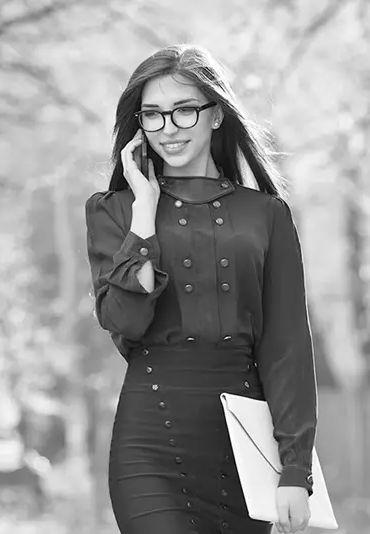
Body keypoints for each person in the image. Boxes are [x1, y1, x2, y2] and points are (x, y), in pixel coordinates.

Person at [84, 44, 317, 534]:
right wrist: (144, 212)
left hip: (244, 448)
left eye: (184, 111)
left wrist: (296, 470)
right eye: (153, 115)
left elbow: (287, 347)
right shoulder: (114, 212)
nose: (168, 128)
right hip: (150, 444)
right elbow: (126, 321)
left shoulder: (266, 216)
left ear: (216, 116)